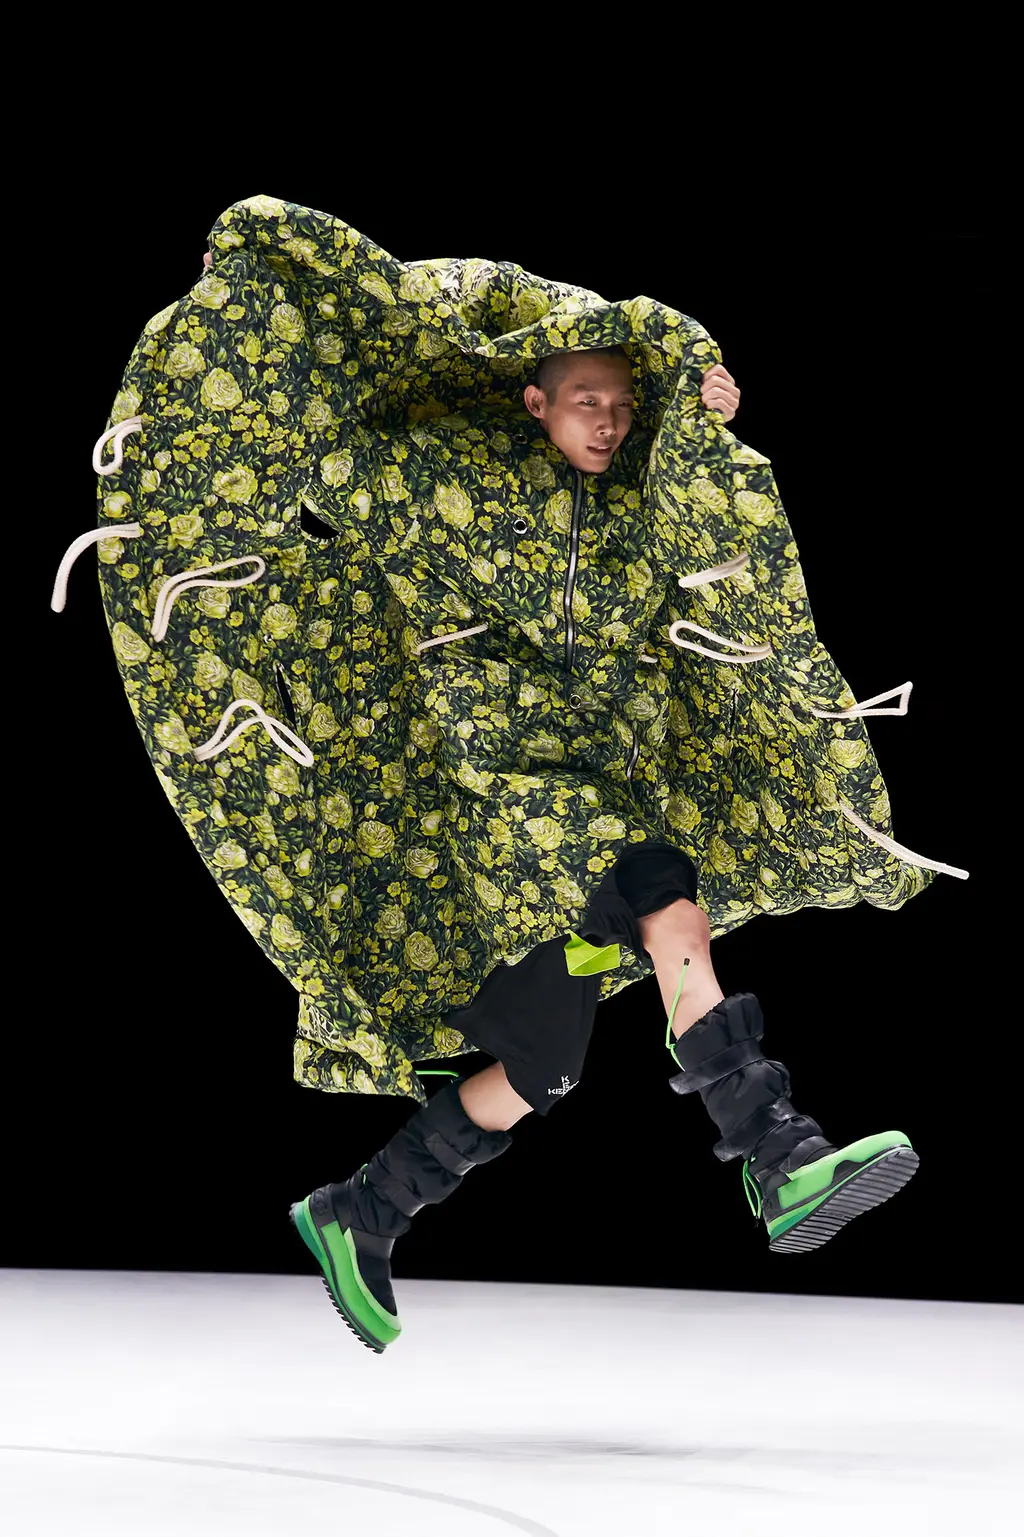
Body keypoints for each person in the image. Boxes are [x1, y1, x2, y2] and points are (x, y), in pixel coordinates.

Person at [57, 200, 962, 1360]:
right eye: (586, 400)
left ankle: (362, 1209)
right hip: (503, 795)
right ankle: (778, 1150)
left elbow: (711, 524)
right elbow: (321, 441)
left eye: (622, 404)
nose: (607, 421)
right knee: (666, 899)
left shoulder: (636, 493)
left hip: (595, 774)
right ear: (535, 400)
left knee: (540, 1065)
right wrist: (253, 305)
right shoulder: (441, 479)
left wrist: (705, 419)